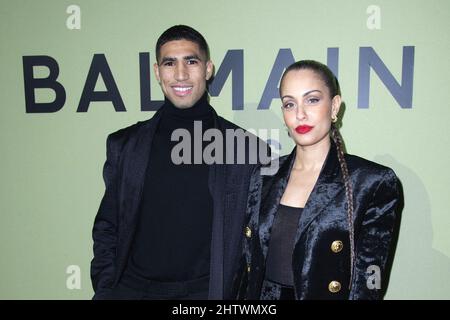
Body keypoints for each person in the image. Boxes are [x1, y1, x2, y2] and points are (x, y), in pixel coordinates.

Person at [91, 25, 267, 300]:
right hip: (131, 291)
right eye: (169, 63)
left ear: (208, 69)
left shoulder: (245, 150)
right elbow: (107, 227)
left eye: (191, 61)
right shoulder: (124, 145)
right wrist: (106, 290)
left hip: (206, 293)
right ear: (157, 72)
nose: (181, 74)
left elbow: (258, 242)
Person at [234, 60, 401, 300]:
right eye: (289, 104)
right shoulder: (264, 174)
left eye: (312, 99)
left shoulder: (372, 182)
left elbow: (369, 281)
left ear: (334, 106)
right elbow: (246, 266)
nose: (300, 114)